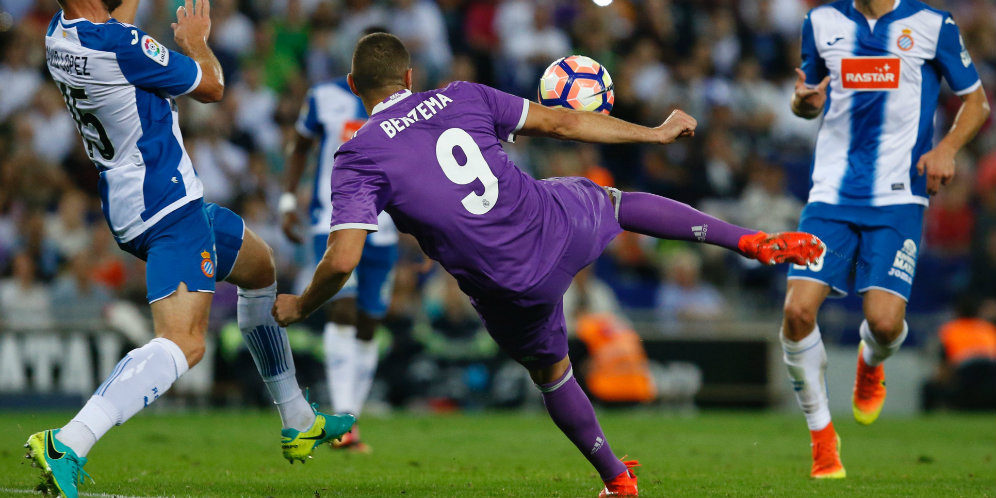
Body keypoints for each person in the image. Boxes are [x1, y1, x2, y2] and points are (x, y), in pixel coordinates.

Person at [272, 33, 825, 497]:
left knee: (552, 373)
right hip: (555, 225)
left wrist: (300, 303)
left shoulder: (358, 153)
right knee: (619, 203)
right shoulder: (462, 95)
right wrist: (653, 132)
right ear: (411, 76)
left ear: (353, 88)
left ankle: (616, 479)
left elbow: (343, 259)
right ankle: (750, 240)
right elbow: (563, 126)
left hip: (507, 288)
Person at [26, 1, 353, 497]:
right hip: (166, 205)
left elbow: (116, 30)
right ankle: (69, 441)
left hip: (132, 198)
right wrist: (196, 42)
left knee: (259, 267)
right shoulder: (118, 44)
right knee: (186, 342)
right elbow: (212, 86)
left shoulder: (61, 35)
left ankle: (297, 418)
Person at [783, 0, 990, 479]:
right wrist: (802, 104)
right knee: (796, 311)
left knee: (882, 321)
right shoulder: (821, 22)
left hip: (898, 197)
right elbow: (806, 96)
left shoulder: (932, 24)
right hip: (830, 194)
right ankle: (822, 442)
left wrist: (946, 148)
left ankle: (871, 360)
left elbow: (977, 102)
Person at [282, 31, 399, 450]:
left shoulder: (403, 104)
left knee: (369, 322)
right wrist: (286, 198)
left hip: (384, 224)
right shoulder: (321, 97)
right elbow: (300, 146)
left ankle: (351, 417)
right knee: (343, 310)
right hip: (328, 219)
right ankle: (346, 423)